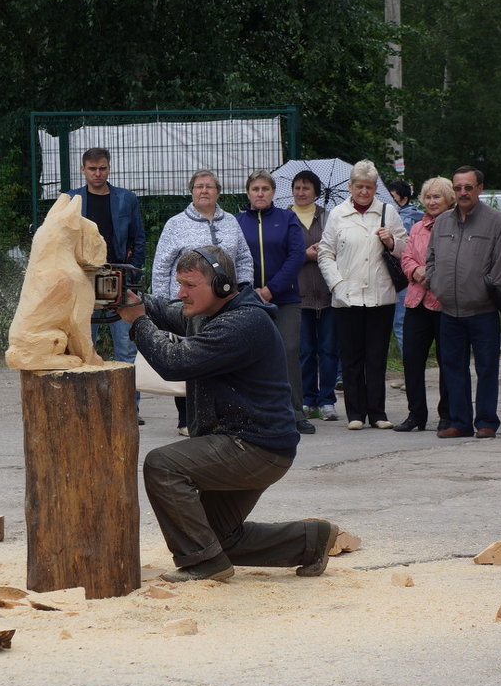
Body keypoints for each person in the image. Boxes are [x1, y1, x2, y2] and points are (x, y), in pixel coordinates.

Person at [117, 245, 339, 582]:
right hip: (245, 442)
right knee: (218, 540)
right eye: (180, 284)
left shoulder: (243, 323)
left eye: (190, 286)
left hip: (255, 447)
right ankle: (310, 541)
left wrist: (138, 323)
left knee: (162, 465)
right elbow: (165, 309)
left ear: (221, 284)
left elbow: (175, 363)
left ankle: (204, 565)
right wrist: (126, 297)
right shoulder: (210, 313)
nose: (181, 293)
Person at [152, 170, 253, 436]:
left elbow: (243, 258)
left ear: (218, 191)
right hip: (186, 304)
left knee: (221, 359)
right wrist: (163, 305)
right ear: (191, 191)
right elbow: (161, 266)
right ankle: (187, 418)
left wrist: (244, 291)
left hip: (227, 305)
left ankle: (222, 414)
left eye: (209, 186)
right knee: (188, 358)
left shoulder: (231, 221)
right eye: (199, 186)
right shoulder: (175, 224)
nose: (204, 191)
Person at [318, 160, 407, 430]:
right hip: (348, 297)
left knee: (376, 357)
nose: (364, 192)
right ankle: (355, 414)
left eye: (369, 187)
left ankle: (378, 413)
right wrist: (337, 284)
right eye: (359, 186)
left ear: (375, 188)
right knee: (352, 358)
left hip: (381, 295)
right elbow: (325, 253)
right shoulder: (338, 214)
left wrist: (391, 241)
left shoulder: (387, 212)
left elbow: (405, 249)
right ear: (350, 187)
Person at [426, 166, 501, 439]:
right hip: (449, 310)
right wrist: (436, 285)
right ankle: (459, 422)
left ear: (479, 189)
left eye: (468, 187)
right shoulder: (443, 222)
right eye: (458, 187)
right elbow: (431, 259)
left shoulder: (497, 222)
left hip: (483, 310)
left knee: (486, 368)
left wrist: (487, 287)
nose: (462, 193)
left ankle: (486, 422)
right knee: (453, 367)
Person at [68, 147, 146, 421]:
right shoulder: (72, 200)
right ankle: (84, 405)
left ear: (109, 168)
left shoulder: (126, 199)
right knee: (83, 343)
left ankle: (128, 406)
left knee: (125, 344)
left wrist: (130, 274)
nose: (98, 173)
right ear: (83, 169)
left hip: (118, 276)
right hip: (83, 278)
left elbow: (138, 239)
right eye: (92, 169)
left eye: (102, 168)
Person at [236, 170, 313, 434]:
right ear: (248, 192)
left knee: (288, 351)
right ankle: (253, 412)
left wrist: (271, 289)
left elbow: (296, 256)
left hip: (285, 299)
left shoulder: (287, 218)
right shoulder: (237, 221)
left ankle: (295, 412)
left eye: (265, 189)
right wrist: (249, 291)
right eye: (255, 189)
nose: (260, 194)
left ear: (273, 193)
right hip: (247, 300)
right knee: (250, 354)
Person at [393, 177, 454, 433]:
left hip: (444, 303)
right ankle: (416, 414)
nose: (431, 201)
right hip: (416, 301)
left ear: (449, 199)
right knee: (412, 359)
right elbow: (406, 256)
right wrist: (415, 270)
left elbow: (454, 260)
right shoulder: (417, 227)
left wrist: (431, 274)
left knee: (447, 360)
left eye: (437, 196)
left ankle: (447, 415)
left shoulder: (455, 226)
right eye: (428, 197)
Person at [289, 170, 339, 422]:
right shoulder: (286, 218)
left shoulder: (330, 218)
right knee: (305, 351)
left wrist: (324, 251)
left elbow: (340, 248)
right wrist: (304, 256)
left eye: (306, 188)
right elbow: (282, 255)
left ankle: (327, 399)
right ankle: (308, 399)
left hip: (329, 294)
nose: (301, 192)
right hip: (298, 296)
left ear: (316, 192)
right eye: (297, 187)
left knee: (329, 350)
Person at [388, 179, 424, 356]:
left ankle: (410, 373)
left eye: (392, 197)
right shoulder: (418, 216)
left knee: (401, 325)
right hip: (404, 278)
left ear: (403, 199)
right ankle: (409, 373)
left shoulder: (404, 219)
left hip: (402, 278)